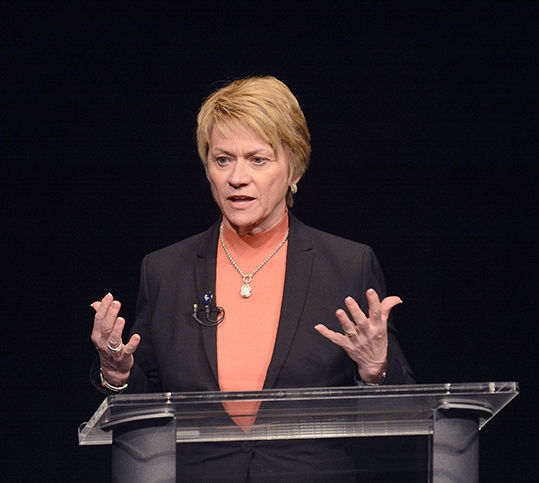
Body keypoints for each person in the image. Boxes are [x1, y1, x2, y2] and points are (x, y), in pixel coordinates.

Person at [90, 76, 415, 481]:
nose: (236, 177)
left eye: (257, 159)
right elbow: (150, 403)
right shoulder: (164, 270)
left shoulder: (347, 264)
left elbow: (400, 409)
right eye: (222, 159)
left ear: (294, 168)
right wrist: (117, 375)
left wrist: (375, 369)